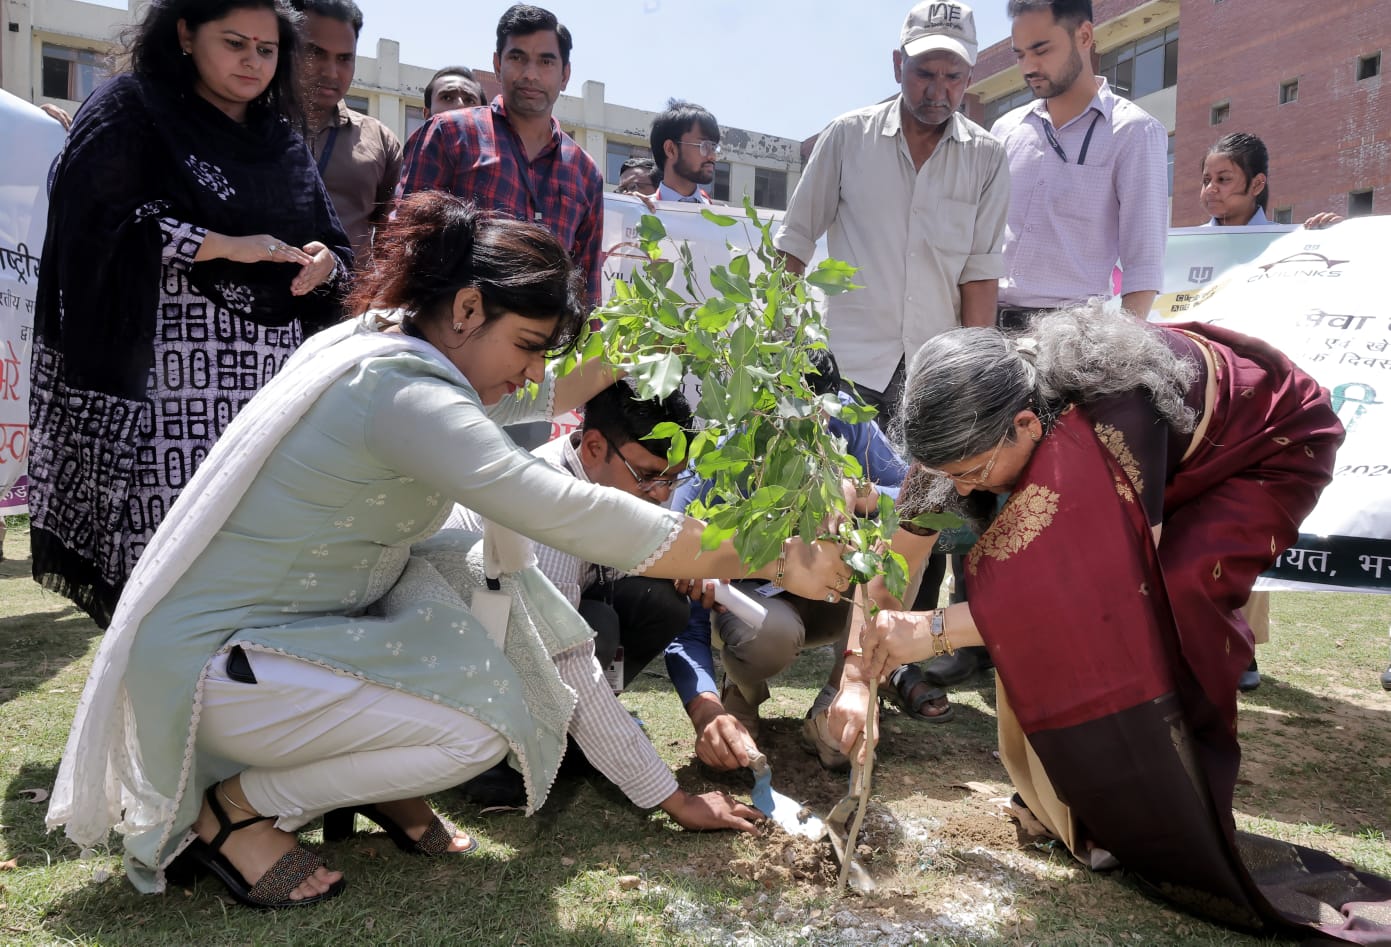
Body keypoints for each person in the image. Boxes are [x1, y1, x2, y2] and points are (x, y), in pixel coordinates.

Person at [44, 191, 851, 909]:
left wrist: (678, 332)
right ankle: (237, 811)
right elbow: (562, 508)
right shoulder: (402, 393)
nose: (532, 374)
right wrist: (776, 556)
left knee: (488, 626)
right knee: (478, 728)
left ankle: (356, 789)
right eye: (527, 344)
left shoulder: (391, 348)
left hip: (271, 644)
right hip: (219, 665)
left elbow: (540, 392)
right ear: (467, 308)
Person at [824, 307, 1391, 940]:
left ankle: (1177, 811)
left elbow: (1099, 590)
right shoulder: (973, 412)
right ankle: (1073, 802)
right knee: (1029, 581)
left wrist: (933, 631)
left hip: (1265, 450)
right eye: (949, 475)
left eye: (971, 475)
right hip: (1157, 458)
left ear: (1025, 426)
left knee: (1175, 600)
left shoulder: (1106, 424)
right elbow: (896, 561)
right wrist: (856, 679)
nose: (960, 492)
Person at [27, 0, 351, 630]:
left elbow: (333, 241)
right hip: (162, 390)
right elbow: (93, 215)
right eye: (234, 43)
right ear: (184, 34)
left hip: (269, 392)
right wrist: (220, 245)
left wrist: (325, 263)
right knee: (166, 570)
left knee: (249, 566)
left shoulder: (280, 140)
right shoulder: (132, 109)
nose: (252, 61)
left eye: (266, 50)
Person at [774, 0, 1008, 686]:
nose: (938, 90)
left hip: (933, 371)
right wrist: (778, 346)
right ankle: (832, 656)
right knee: (837, 508)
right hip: (846, 364)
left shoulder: (986, 158)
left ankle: (887, 667)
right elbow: (794, 243)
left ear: (970, 78)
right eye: (924, 73)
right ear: (897, 64)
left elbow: (979, 274)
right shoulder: (847, 137)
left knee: (922, 519)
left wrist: (978, 379)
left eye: (953, 77)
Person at [664, 350, 937, 777]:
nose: (802, 434)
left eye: (815, 418)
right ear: (755, 407)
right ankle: (742, 691)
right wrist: (705, 708)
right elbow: (683, 603)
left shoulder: (847, 419)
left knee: (905, 542)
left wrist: (859, 493)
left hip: (837, 600)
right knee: (770, 634)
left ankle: (837, 701)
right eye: (781, 420)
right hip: (759, 608)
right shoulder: (722, 456)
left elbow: (915, 497)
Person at [1198, 130, 1343, 691]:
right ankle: (1197, 637)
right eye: (1206, 179)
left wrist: (1333, 241)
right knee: (1196, 518)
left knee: (1249, 517)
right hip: (1204, 396)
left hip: (1263, 403)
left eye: (1224, 179)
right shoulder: (1184, 248)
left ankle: (1243, 646)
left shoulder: (1294, 244)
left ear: (1257, 184)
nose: (1210, 190)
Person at [450, 379, 697, 685]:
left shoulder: (597, 468)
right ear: (594, 448)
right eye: (648, 476)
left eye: (672, 480)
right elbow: (554, 650)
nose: (662, 494)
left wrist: (677, 562)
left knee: (662, 602)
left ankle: (587, 707)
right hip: (469, 636)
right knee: (596, 630)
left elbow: (614, 558)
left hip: (523, 618)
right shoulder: (550, 500)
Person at [396, 4, 604, 309]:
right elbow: (406, 245)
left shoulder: (585, 173)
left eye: (546, 61)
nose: (531, 74)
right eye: (517, 58)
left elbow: (588, 285)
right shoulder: (449, 135)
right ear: (497, 64)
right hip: (454, 330)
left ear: (565, 75)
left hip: (545, 336)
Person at [991, 0, 1168, 327]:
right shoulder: (1005, 130)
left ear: (1084, 36)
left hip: (1071, 335)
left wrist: (1120, 348)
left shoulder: (1133, 132)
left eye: (1041, 50)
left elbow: (1143, 265)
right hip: (989, 329)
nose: (1028, 66)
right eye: (1020, 54)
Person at [291, 0, 402, 264]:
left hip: (348, 290)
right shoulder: (248, 122)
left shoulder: (381, 141)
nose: (331, 72)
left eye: (344, 58)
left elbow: (391, 238)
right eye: (315, 52)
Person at [650, 99, 719, 204]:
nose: (712, 156)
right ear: (670, 149)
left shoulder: (719, 212)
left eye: (714, 148)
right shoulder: (639, 210)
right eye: (704, 146)